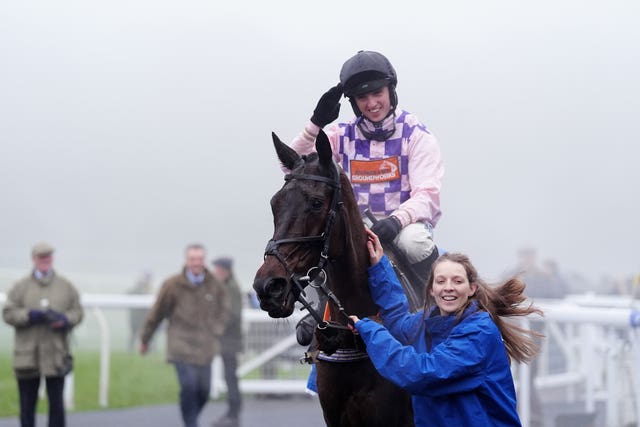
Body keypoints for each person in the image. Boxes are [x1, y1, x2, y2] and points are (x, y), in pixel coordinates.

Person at [348, 229, 542, 427]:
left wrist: (371, 331)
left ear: (471, 289)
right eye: (441, 281)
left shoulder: (479, 331)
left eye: (457, 281)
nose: (448, 287)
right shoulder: (425, 323)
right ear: (432, 289)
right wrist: (380, 266)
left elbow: (421, 374)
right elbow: (398, 321)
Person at [291, 50, 444, 281]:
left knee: (415, 243)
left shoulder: (416, 135)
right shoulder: (341, 135)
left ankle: (436, 305)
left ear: (391, 91)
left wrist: (396, 221)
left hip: (404, 226)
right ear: (353, 102)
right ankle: (317, 315)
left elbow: (428, 195)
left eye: (377, 93)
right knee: (320, 245)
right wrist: (315, 124)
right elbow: (294, 168)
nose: (372, 104)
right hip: (356, 226)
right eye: (362, 97)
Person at [139, 243, 230, 427]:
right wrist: (145, 339)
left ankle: (191, 418)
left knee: (204, 391)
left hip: (205, 346)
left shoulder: (215, 285)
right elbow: (157, 313)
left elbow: (224, 311)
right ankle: (191, 424)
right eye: (192, 259)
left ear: (204, 260)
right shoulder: (172, 285)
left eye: (199, 259)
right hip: (180, 345)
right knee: (189, 386)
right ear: (186, 261)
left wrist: (216, 329)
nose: (196, 263)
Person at [2, 242, 84, 427]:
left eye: (48, 258)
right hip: (27, 356)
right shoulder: (20, 287)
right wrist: (28, 316)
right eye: (41, 258)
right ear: (34, 259)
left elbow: (77, 312)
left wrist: (64, 319)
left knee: (56, 407)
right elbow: (8, 313)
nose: (45, 261)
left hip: (56, 356)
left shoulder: (66, 286)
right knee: (27, 406)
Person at [210, 257, 243, 427]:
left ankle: (233, 414)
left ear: (225, 271)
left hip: (230, 341)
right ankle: (231, 413)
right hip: (227, 341)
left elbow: (232, 315)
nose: (215, 273)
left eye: (217, 270)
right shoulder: (227, 287)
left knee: (231, 378)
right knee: (229, 377)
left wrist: (214, 326)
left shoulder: (231, 289)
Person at [127, 270, 153, 352]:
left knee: (148, 334)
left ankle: (150, 349)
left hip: (143, 317)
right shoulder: (138, 288)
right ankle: (130, 349)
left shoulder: (148, 288)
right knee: (134, 334)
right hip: (136, 318)